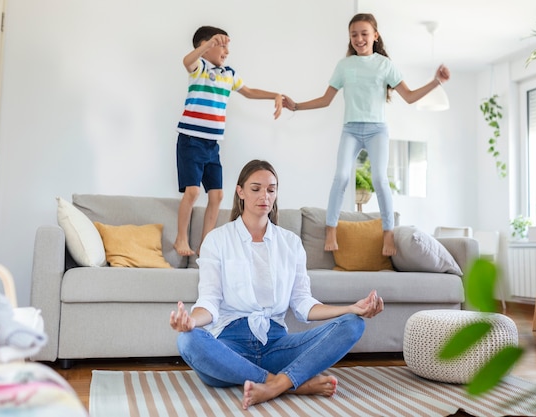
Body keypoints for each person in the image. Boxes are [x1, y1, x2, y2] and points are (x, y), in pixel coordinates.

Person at [169, 159, 384, 409]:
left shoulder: (290, 243)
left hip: (277, 346)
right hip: (231, 347)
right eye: (256, 188)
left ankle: (274, 385)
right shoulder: (217, 240)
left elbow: (303, 304)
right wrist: (192, 322)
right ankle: (289, 383)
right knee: (187, 340)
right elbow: (209, 300)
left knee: (353, 325)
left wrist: (350, 309)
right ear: (240, 192)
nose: (265, 196)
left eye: (271, 189)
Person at [282, 13, 450, 256]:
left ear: (375, 36)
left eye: (364, 33)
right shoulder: (344, 66)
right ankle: (331, 229)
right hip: (351, 128)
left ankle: (388, 235)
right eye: (354, 35)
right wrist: (296, 106)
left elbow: (410, 96)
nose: (359, 39)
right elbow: (326, 100)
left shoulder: (385, 65)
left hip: (376, 130)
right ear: (350, 38)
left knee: (380, 179)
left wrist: (436, 82)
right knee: (341, 177)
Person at [174, 26, 284, 256]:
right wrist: (208, 44)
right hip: (191, 140)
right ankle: (181, 239)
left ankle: (206, 244)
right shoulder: (199, 68)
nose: (226, 51)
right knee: (193, 191)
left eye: (227, 46)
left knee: (217, 195)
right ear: (204, 48)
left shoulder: (229, 74)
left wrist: (275, 95)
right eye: (221, 45)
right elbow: (187, 60)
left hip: (212, 144)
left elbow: (250, 91)